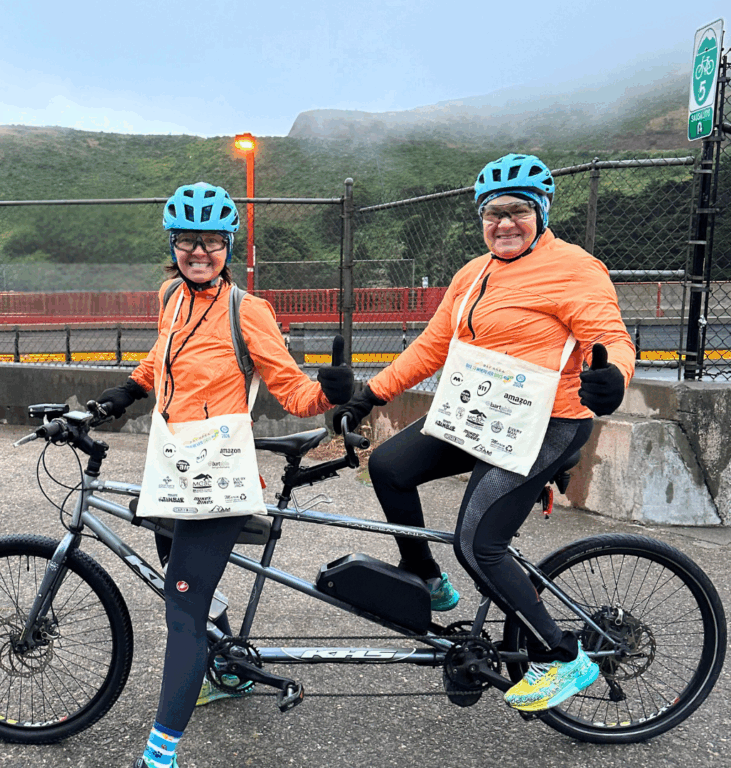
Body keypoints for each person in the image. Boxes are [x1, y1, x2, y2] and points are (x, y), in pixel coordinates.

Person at [334, 153, 635, 712]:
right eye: (493, 213)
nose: (504, 223)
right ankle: (426, 576)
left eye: (518, 210)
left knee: (479, 543)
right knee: (389, 467)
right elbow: (431, 346)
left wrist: (613, 376)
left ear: (542, 212)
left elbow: (610, 335)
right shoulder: (472, 274)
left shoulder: (574, 267)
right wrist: (370, 394)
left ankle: (564, 658)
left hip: (547, 422)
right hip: (482, 414)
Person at [95, 182, 353, 768]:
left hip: (219, 474)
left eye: (211, 241)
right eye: (188, 241)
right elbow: (160, 358)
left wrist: (329, 395)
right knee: (180, 580)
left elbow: (290, 389)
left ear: (227, 246)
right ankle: (231, 673)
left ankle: (160, 755)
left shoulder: (248, 310)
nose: (199, 252)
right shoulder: (170, 296)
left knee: (181, 611)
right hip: (171, 465)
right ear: (174, 245)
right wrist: (122, 394)